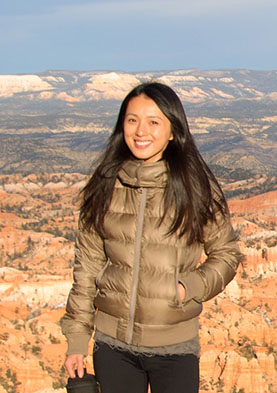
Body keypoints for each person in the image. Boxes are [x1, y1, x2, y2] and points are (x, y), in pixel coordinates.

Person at [61, 82, 243, 393]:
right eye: (132, 120)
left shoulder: (195, 188)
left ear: (173, 130)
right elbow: (87, 269)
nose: (140, 130)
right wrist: (77, 339)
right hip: (112, 345)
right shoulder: (105, 185)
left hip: (174, 347)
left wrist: (188, 288)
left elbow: (226, 254)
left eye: (153, 121)